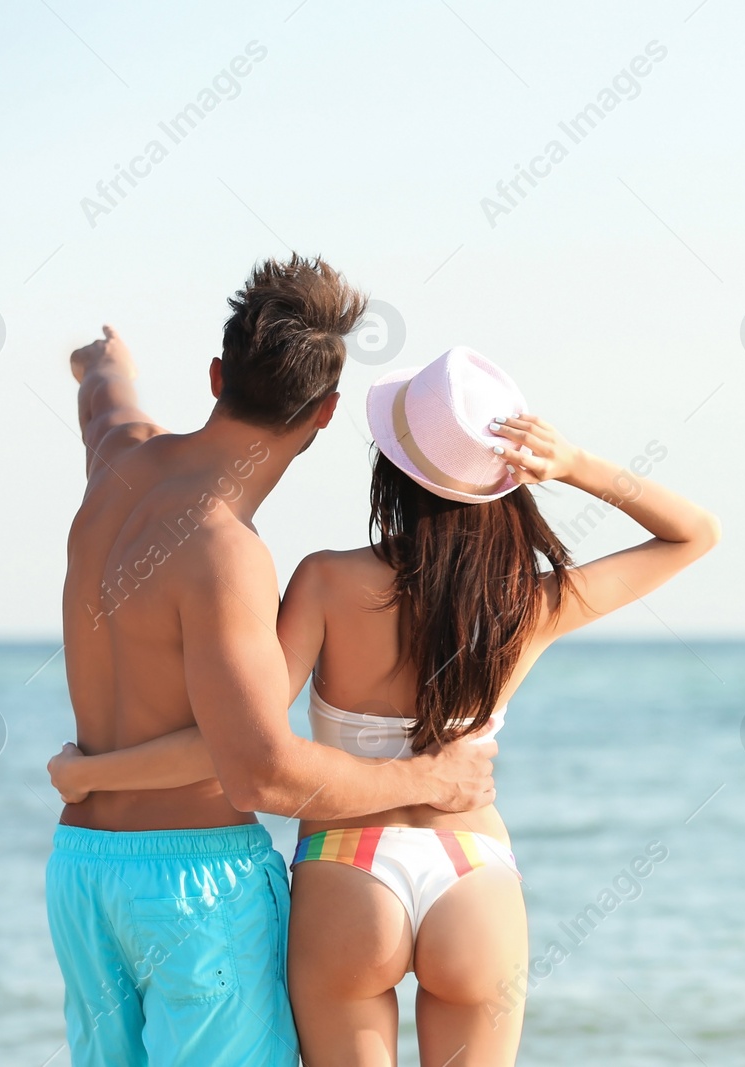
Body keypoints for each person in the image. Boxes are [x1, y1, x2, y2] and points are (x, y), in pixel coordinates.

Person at [51, 346, 720, 1065]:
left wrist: (96, 774)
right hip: (474, 869)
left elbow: (235, 744)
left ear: (391, 470)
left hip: (347, 872)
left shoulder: (325, 584)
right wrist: (574, 462)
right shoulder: (527, 604)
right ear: (505, 483)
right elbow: (694, 533)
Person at [48, 256, 497, 1067]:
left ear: (217, 373)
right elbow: (263, 774)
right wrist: (434, 780)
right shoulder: (226, 552)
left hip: (82, 873)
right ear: (326, 412)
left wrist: (102, 357)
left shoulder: (116, 454)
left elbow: (102, 392)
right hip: (194, 892)